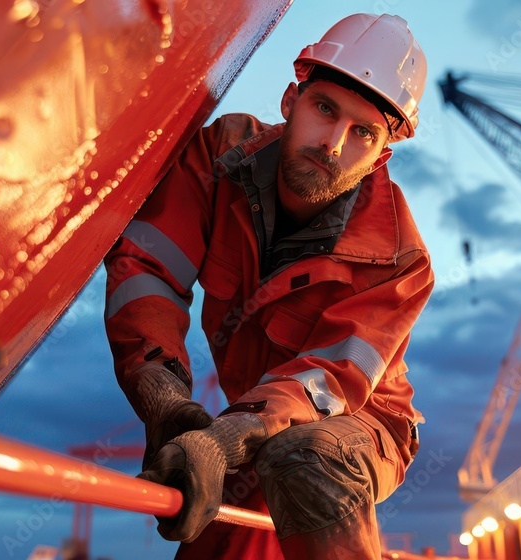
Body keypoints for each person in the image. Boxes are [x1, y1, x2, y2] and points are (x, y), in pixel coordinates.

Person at [104, 13, 432, 559]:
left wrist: (224, 439)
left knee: (305, 457)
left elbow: (328, 380)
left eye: (363, 133)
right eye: (324, 108)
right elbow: (147, 269)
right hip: (252, 419)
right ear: (289, 101)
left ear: (382, 155)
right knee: (208, 543)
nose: (332, 144)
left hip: (360, 424)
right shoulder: (221, 159)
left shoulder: (399, 259)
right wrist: (162, 397)